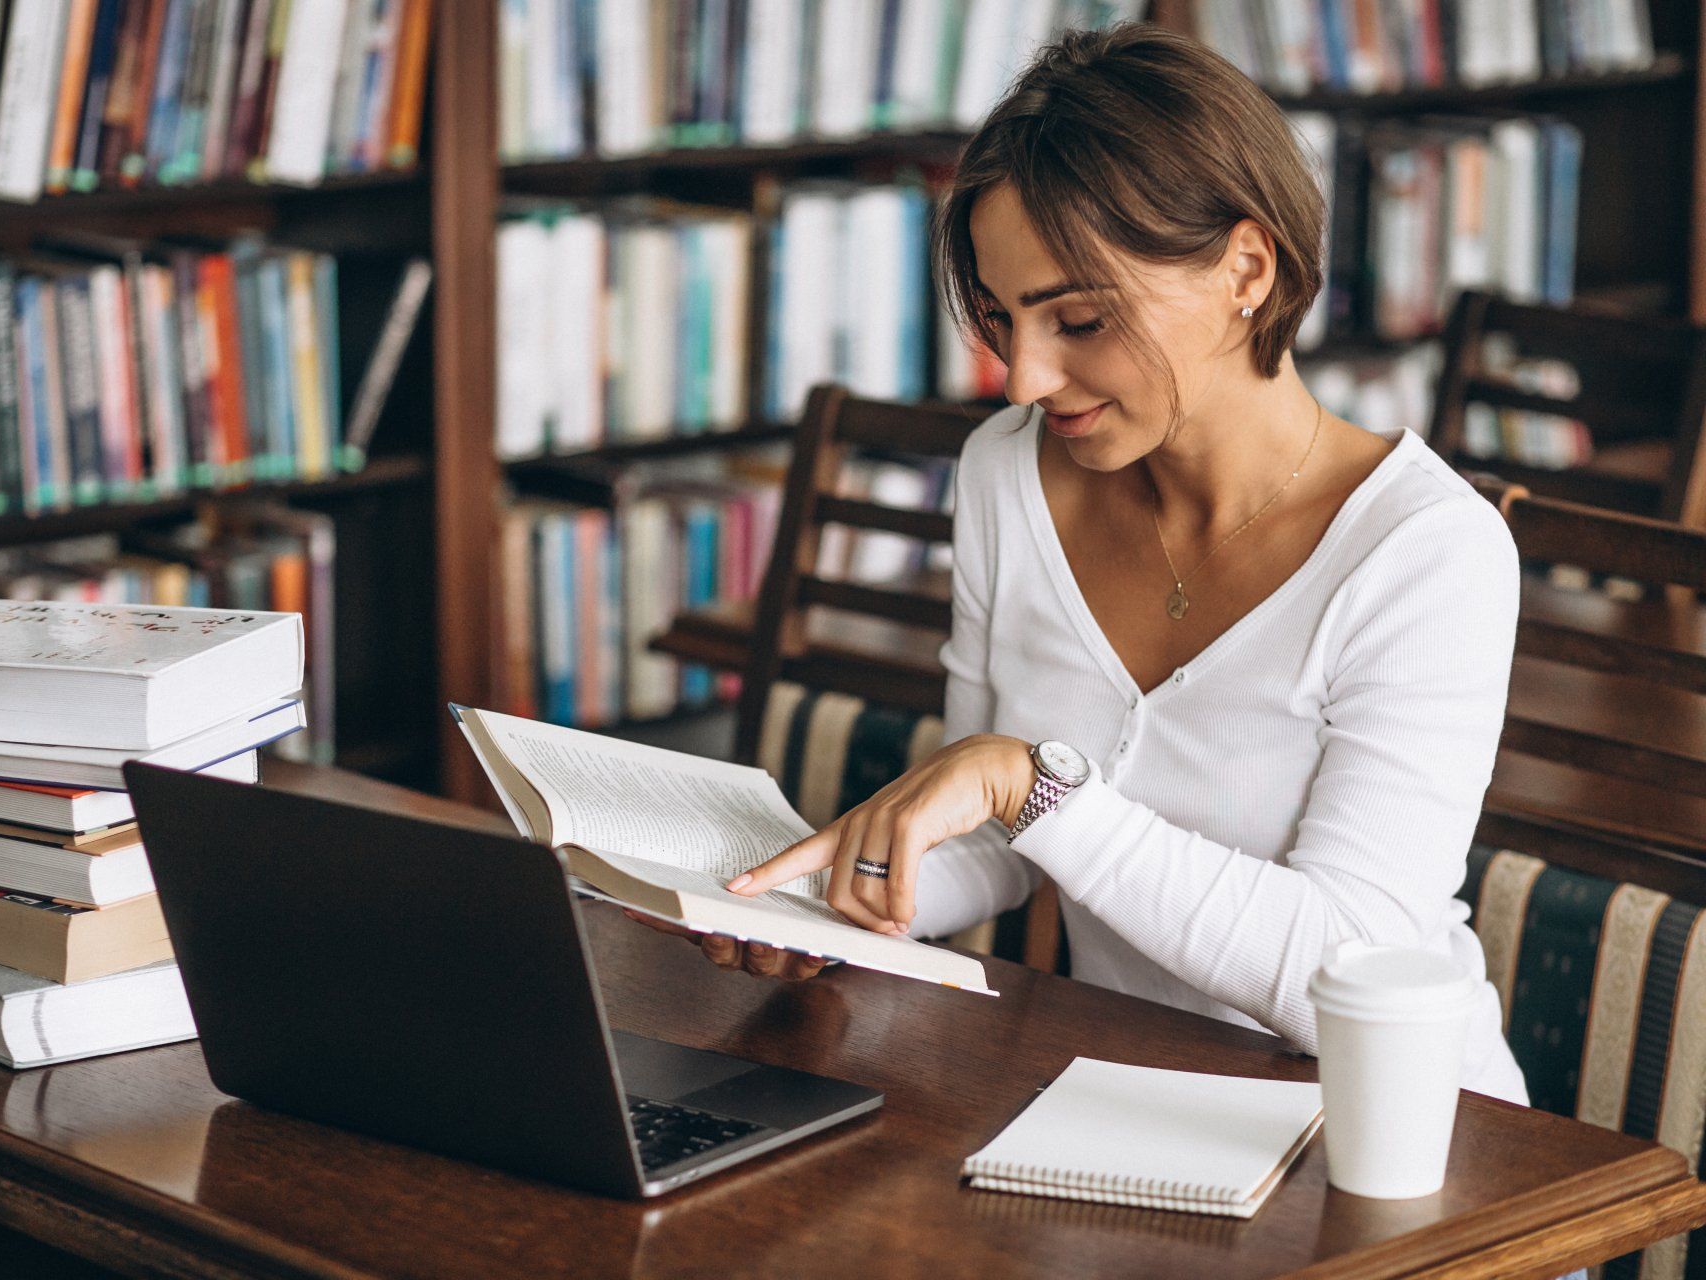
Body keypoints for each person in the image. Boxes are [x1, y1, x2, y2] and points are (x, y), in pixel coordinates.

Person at [632, 21, 1529, 1107]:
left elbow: (1349, 967)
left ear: (1248, 267)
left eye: (1081, 318)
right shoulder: (1008, 474)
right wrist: (833, 904)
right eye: (1005, 319)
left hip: (1406, 1141)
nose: (1024, 377)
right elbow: (1002, 836)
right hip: (1128, 1107)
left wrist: (1039, 784)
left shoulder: (1428, 553)